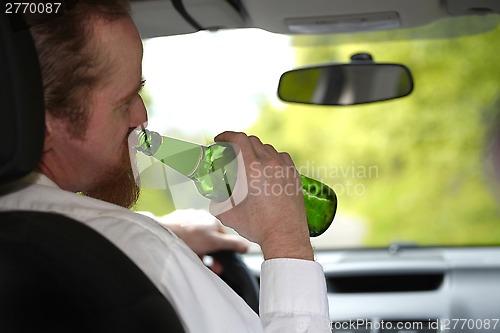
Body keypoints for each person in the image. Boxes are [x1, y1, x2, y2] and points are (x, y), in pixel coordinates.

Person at [0, 1, 330, 332]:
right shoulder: (145, 254)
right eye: (125, 100)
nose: (141, 117)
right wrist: (286, 240)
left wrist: (168, 233)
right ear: (43, 123)